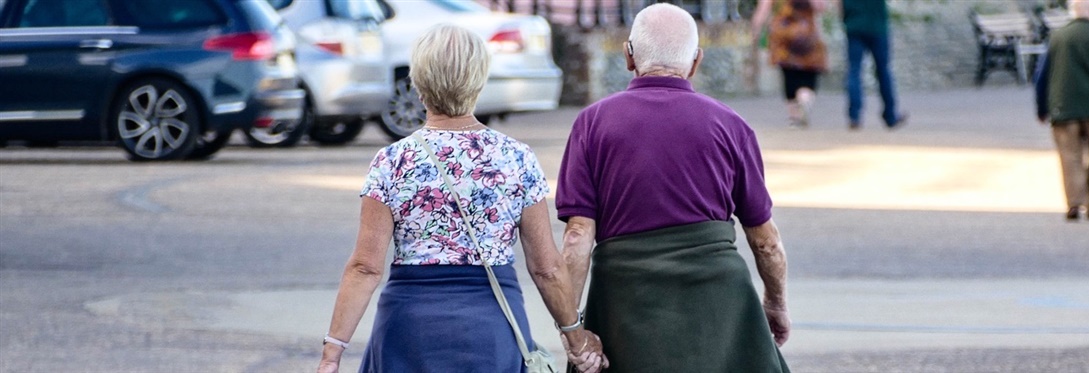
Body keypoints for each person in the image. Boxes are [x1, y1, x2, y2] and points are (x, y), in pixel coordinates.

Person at [317, 25, 607, 373]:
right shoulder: (516, 158)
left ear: (419, 83)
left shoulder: (393, 161)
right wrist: (577, 340)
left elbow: (365, 268)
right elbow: (546, 268)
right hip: (492, 330)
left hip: (408, 332)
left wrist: (332, 352)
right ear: (478, 80)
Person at [556, 4, 791, 372]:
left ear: (628, 56)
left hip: (625, 308)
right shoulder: (731, 126)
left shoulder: (592, 124)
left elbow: (576, 238)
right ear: (696, 61)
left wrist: (574, 332)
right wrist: (775, 303)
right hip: (720, 310)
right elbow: (766, 241)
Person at [1034, 0, 1089, 221]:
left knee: (1070, 157)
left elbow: (1041, 77)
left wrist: (1042, 108)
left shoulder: (1057, 37)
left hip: (1064, 108)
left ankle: (1074, 204)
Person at [752, 0, 829, 129]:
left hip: (784, 34)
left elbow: (763, 10)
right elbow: (820, 7)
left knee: (788, 75)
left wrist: (756, 30)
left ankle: (794, 117)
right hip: (807, 33)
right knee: (809, 74)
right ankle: (804, 99)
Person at [839, 0, 906, 130]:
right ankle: (890, 115)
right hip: (877, 26)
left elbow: (840, 6)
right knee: (883, 71)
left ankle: (854, 116)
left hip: (855, 26)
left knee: (854, 70)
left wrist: (846, 19)